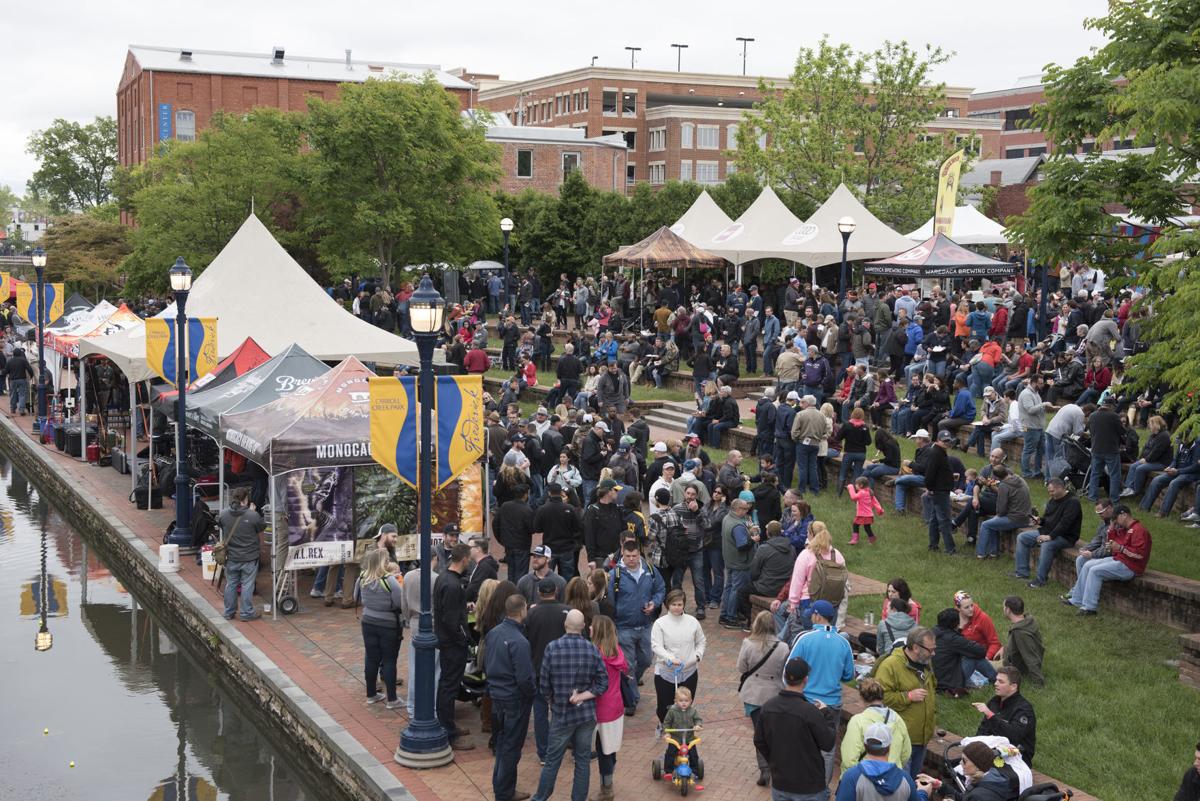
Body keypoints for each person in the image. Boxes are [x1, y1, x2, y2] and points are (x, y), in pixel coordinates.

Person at [530, 609, 608, 801]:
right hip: (586, 715)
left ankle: (541, 797)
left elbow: (544, 684)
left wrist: (552, 701)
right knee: (582, 761)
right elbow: (603, 683)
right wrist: (583, 696)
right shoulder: (591, 649)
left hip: (561, 714)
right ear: (582, 627)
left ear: (565, 624)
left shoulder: (552, 648)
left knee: (552, 760)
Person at [788, 599, 855, 785]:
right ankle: (822, 789)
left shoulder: (805, 638)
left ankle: (800, 784)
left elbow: (788, 672)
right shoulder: (843, 643)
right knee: (828, 749)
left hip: (806, 702)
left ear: (817, 615)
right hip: (832, 704)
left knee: (801, 744)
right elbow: (849, 675)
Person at [754, 657, 837, 801]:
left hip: (781, 783)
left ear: (785, 677)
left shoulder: (768, 707)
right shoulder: (810, 712)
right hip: (809, 786)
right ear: (805, 680)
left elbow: (759, 740)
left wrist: (774, 761)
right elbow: (828, 743)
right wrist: (827, 715)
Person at [486, 595, 536, 801]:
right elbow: (524, 677)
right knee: (511, 748)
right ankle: (504, 792)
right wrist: (532, 693)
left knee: (502, 742)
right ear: (522, 610)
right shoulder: (519, 641)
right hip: (514, 700)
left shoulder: (493, 633)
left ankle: (501, 786)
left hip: (496, 696)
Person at [1063, 503, 1151, 616]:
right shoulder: (1127, 529)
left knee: (1095, 571)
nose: (1116, 522)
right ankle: (1077, 599)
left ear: (1123, 514)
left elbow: (1140, 555)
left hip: (1131, 567)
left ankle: (1090, 608)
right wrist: (1112, 528)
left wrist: (1121, 548)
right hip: (1120, 559)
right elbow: (1112, 544)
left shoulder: (1139, 530)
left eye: (1115, 519)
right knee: (1087, 565)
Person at [875, 627, 938, 778]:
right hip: (900, 739)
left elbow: (932, 693)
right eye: (931, 650)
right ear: (916, 647)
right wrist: (908, 696)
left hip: (921, 738)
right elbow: (880, 698)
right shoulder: (890, 666)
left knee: (912, 783)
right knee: (901, 785)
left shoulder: (926, 662)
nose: (934, 653)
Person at [608, 538, 665, 704]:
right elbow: (610, 601)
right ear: (623, 555)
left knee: (646, 659)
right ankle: (632, 698)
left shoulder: (650, 570)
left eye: (634, 555)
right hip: (624, 627)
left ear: (639, 554)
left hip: (646, 624)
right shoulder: (615, 575)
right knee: (628, 665)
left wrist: (655, 603)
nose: (631, 559)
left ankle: (629, 682)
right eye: (628, 556)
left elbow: (660, 589)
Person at [737, 611, 789, 786]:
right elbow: (784, 671)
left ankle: (764, 770)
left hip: (754, 694)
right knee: (775, 734)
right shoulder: (783, 647)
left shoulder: (748, 644)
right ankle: (777, 768)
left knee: (760, 734)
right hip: (775, 694)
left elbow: (742, 667)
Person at [434, 542, 476, 750]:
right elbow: (452, 621)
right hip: (452, 644)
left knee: (447, 685)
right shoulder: (451, 585)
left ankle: (448, 725)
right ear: (465, 559)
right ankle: (448, 731)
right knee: (449, 686)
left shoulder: (445, 578)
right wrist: (464, 640)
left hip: (448, 642)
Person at [354, 549, 405, 709]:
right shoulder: (389, 580)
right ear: (382, 562)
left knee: (371, 658)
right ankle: (392, 699)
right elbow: (400, 603)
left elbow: (356, 597)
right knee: (389, 660)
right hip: (388, 624)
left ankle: (371, 695)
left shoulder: (362, 578)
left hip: (368, 622)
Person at [525, 578, 569, 763]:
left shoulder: (531, 614)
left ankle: (544, 752)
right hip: (562, 672)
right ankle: (559, 747)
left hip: (538, 669)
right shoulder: (566, 612)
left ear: (539, 593)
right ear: (556, 591)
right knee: (561, 711)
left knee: (540, 712)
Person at [1013, 477, 1082, 588]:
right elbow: (1048, 519)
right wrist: (1040, 520)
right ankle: (1021, 572)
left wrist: (1050, 536)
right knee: (1022, 537)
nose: (1050, 494)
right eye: (1049, 491)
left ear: (1060, 488)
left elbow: (1064, 524)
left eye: (1052, 491)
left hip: (1065, 537)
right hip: (1048, 532)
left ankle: (1040, 580)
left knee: (1047, 545)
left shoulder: (1073, 502)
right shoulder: (1052, 500)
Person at [650, 589, 707, 722]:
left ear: (684, 605)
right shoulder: (660, 624)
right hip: (666, 672)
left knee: (685, 707)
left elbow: (701, 641)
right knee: (665, 707)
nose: (677, 608)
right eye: (674, 604)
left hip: (689, 671)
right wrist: (670, 658)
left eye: (680, 604)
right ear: (667, 605)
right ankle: (664, 725)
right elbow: (656, 646)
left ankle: (680, 735)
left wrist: (697, 656)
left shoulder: (692, 622)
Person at [835, 723, 928, 801]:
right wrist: (923, 792)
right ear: (889, 746)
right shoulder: (905, 778)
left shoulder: (851, 777)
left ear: (865, 745)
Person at [840, 679, 913, 774]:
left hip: (865, 777)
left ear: (861, 697)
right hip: (892, 776)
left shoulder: (858, 721)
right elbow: (906, 753)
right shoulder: (897, 719)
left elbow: (849, 758)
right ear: (882, 696)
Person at [591, 615, 628, 801]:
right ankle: (609, 780)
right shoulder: (616, 652)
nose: (589, 628)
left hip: (599, 708)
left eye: (592, 626)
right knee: (610, 748)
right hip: (616, 707)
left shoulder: (595, 654)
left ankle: (607, 789)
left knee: (602, 749)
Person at [973, 665, 1037, 768]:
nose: (995, 684)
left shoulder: (1024, 709)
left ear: (1013, 686)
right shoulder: (994, 702)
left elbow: (1014, 735)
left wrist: (991, 715)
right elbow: (983, 729)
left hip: (1016, 760)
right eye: (996, 680)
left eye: (1001, 682)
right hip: (992, 753)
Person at [218, 487, 267, 622]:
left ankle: (229, 612)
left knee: (231, 583)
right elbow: (261, 527)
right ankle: (246, 613)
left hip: (232, 556)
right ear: (246, 499)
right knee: (247, 584)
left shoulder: (223, 514)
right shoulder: (252, 515)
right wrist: (252, 512)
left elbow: (221, 524)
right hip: (249, 556)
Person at [719, 498, 760, 629]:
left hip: (730, 560)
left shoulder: (727, 518)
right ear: (737, 509)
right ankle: (731, 617)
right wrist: (753, 539)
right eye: (744, 509)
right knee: (736, 590)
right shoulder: (737, 526)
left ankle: (724, 614)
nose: (747, 511)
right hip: (740, 563)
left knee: (729, 588)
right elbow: (742, 545)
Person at [975, 465, 1031, 560]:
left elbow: (1001, 510)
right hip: (1026, 516)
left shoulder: (1004, 486)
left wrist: (998, 516)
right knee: (992, 523)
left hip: (1016, 519)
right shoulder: (1019, 479)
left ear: (996, 478)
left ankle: (981, 554)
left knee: (986, 525)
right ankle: (993, 553)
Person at [931, 608, 986, 698]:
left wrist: (958, 631)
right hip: (949, 682)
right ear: (955, 623)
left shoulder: (934, 631)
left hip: (937, 678)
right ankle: (995, 678)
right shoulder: (953, 639)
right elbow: (980, 651)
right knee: (973, 658)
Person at [923, 431, 959, 554]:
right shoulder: (936, 453)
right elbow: (929, 474)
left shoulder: (940, 452)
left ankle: (933, 545)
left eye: (948, 440)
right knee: (945, 520)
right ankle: (950, 549)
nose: (947, 443)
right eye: (944, 441)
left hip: (940, 490)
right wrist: (930, 488)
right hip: (940, 492)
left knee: (934, 519)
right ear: (937, 440)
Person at [999, 596, 1044, 687]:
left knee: (980, 663)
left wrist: (1038, 682)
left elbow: (1030, 657)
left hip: (1014, 669)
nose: (1003, 609)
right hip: (1014, 661)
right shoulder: (1027, 620)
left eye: (1004, 607)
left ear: (1008, 610)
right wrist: (1004, 648)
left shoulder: (1020, 633)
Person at [955, 591, 1001, 679]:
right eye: (966, 607)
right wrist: (960, 627)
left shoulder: (983, 618)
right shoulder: (954, 619)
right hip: (962, 656)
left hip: (981, 657)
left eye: (972, 605)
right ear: (958, 608)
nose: (971, 609)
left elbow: (995, 642)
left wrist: (987, 657)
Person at [660, 686, 704, 778]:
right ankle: (668, 771)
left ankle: (695, 772)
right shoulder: (672, 711)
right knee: (670, 753)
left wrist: (698, 726)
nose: (684, 703)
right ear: (676, 701)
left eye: (686, 701)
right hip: (675, 738)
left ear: (691, 701)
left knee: (693, 755)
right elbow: (666, 723)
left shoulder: (693, 711)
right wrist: (667, 733)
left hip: (689, 739)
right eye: (681, 700)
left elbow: (698, 719)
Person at [846, 476, 883, 546]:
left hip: (862, 515)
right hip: (869, 515)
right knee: (867, 527)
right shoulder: (869, 492)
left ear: (861, 485)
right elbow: (875, 501)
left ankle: (854, 540)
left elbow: (853, 497)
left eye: (856, 484)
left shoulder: (862, 492)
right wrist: (879, 510)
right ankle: (872, 539)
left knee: (855, 525)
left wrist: (850, 488)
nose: (855, 485)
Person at [465, 538, 500, 604]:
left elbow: (474, 589)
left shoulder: (484, 566)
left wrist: (461, 596)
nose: (467, 550)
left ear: (478, 549)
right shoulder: (483, 564)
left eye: (469, 547)